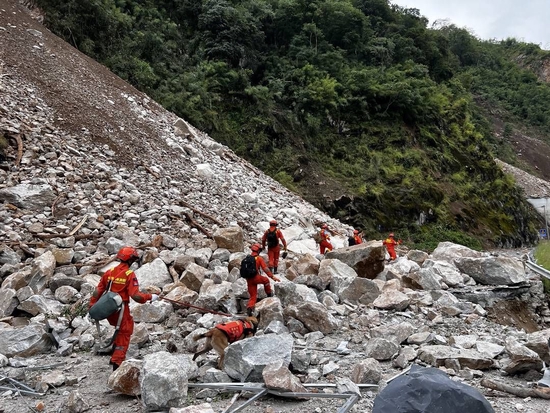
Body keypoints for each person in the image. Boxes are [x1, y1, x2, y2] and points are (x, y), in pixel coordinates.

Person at [89, 246, 158, 370]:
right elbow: (135, 296)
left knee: (118, 330)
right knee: (125, 332)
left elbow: (97, 290)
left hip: (108, 309)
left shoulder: (110, 272)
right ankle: (117, 362)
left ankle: (114, 354)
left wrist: (92, 304)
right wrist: (150, 297)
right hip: (121, 309)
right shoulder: (129, 274)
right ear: (131, 260)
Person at [245, 243, 280, 316]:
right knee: (266, 280)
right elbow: (265, 269)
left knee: (253, 296)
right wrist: (272, 277)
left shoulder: (246, 258)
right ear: (258, 251)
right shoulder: (259, 258)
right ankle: (269, 294)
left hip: (249, 280)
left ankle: (250, 308)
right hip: (256, 277)